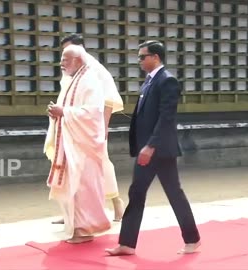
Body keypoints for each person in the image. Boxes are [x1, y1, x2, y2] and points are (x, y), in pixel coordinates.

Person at [105, 40, 201, 256]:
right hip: (146, 150)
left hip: (160, 149)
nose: (139, 61)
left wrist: (150, 145)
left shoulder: (167, 81)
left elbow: (166, 118)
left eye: (142, 56)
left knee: (174, 194)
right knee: (137, 192)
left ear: (155, 57)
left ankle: (192, 239)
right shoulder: (149, 82)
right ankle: (127, 243)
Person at [52, 34, 125, 223]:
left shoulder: (94, 69)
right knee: (67, 165)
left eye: (69, 52)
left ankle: (117, 204)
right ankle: (69, 211)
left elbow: (107, 98)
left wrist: (104, 125)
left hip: (90, 126)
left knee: (101, 163)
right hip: (69, 122)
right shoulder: (69, 67)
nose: (64, 58)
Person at [43, 45, 111, 243]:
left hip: (83, 146)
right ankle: (77, 228)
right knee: (73, 186)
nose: (61, 63)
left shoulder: (89, 80)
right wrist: (57, 112)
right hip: (72, 143)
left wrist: (64, 112)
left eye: (66, 59)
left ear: (78, 60)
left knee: (83, 187)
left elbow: (93, 113)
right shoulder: (74, 80)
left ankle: (85, 229)